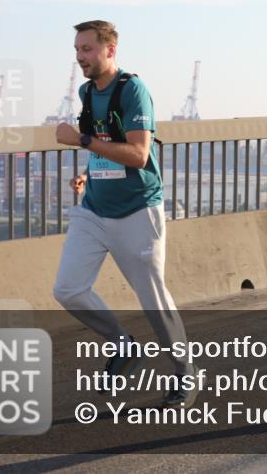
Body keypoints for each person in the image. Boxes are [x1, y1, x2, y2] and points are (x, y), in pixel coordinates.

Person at [53, 20, 196, 409]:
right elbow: (105, 144)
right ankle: (124, 345)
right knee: (68, 289)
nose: (80, 57)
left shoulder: (133, 90)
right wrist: (89, 172)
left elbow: (138, 154)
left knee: (153, 299)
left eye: (87, 49)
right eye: (77, 50)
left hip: (137, 210)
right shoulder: (86, 92)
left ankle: (186, 373)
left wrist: (80, 139)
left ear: (110, 50)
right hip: (94, 209)